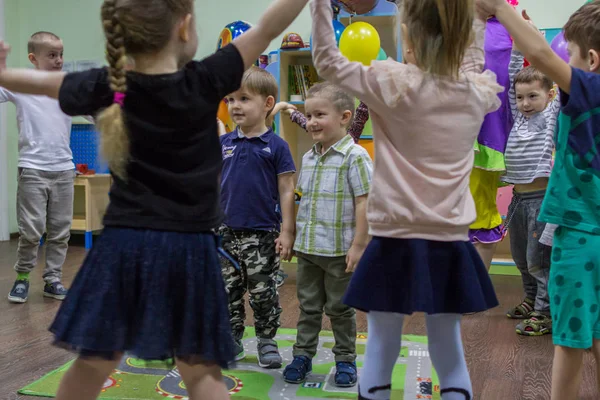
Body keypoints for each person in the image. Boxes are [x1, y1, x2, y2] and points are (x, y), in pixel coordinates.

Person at [0, 0, 308, 398]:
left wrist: (4, 73)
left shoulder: (108, 84)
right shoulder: (206, 79)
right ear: (184, 28)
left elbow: (43, 84)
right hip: (189, 249)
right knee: (200, 371)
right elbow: (267, 28)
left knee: (92, 362)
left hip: (123, 248)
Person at [310, 0, 500, 399]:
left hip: (392, 240)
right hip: (449, 243)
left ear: (408, 40)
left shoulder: (390, 84)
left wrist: (319, 6)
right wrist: (479, 17)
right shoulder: (474, 93)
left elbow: (327, 61)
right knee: (449, 350)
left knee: (380, 346)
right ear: (463, 39)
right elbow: (472, 56)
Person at [476, 0, 600, 399]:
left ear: (591, 60)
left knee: (570, 336)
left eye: (574, 55)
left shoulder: (589, 89)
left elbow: (540, 54)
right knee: (594, 330)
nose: (567, 61)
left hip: (579, 232)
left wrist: (499, 8)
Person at [281, 82, 373, 386]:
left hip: (339, 251)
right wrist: (291, 234)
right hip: (308, 250)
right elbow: (300, 198)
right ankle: (302, 355)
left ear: (345, 116)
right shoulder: (308, 157)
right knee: (307, 306)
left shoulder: (355, 156)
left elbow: (364, 201)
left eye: (320, 114)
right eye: (308, 115)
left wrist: (360, 244)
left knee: (340, 309)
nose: (311, 122)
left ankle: (345, 359)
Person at [218, 66, 296, 369]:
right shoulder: (224, 144)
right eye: (230, 99)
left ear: (267, 103)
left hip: (262, 233)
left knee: (263, 292)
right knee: (228, 292)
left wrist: (287, 230)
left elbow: (287, 189)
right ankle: (232, 340)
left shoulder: (276, 146)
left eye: (243, 99)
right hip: (225, 233)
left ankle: (266, 340)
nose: (235, 106)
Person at [4, 32, 73, 303]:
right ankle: (22, 278)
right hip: (33, 169)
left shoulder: (68, 87)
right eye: (51, 55)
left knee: (60, 231)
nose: (58, 60)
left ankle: (52, 280)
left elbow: (99, 108)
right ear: (34, 58)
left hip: (64, 170)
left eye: (60, 54)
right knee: (32, 230)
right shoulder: (21, 84)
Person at [502, 27, 560, 336]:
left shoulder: (550, 116)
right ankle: (529, 299)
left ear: (549, 95)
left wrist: (538, 45)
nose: (525, 103)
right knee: (520, 257)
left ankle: (544, 312)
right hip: (518, 198)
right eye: (521, 97)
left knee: (538, 259)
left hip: (540, 199)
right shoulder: (519, 117)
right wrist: (516, 46)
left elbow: (558, 85)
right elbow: (514, 77)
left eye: (532, 96)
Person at [273, 99, 370, 143]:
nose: (314, 123)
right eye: (310, 116)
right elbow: (305, 123)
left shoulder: (350, 140)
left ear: (344, 117)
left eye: (320, 115)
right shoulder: (321, 136)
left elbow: (362, 113)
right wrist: (290, 111)